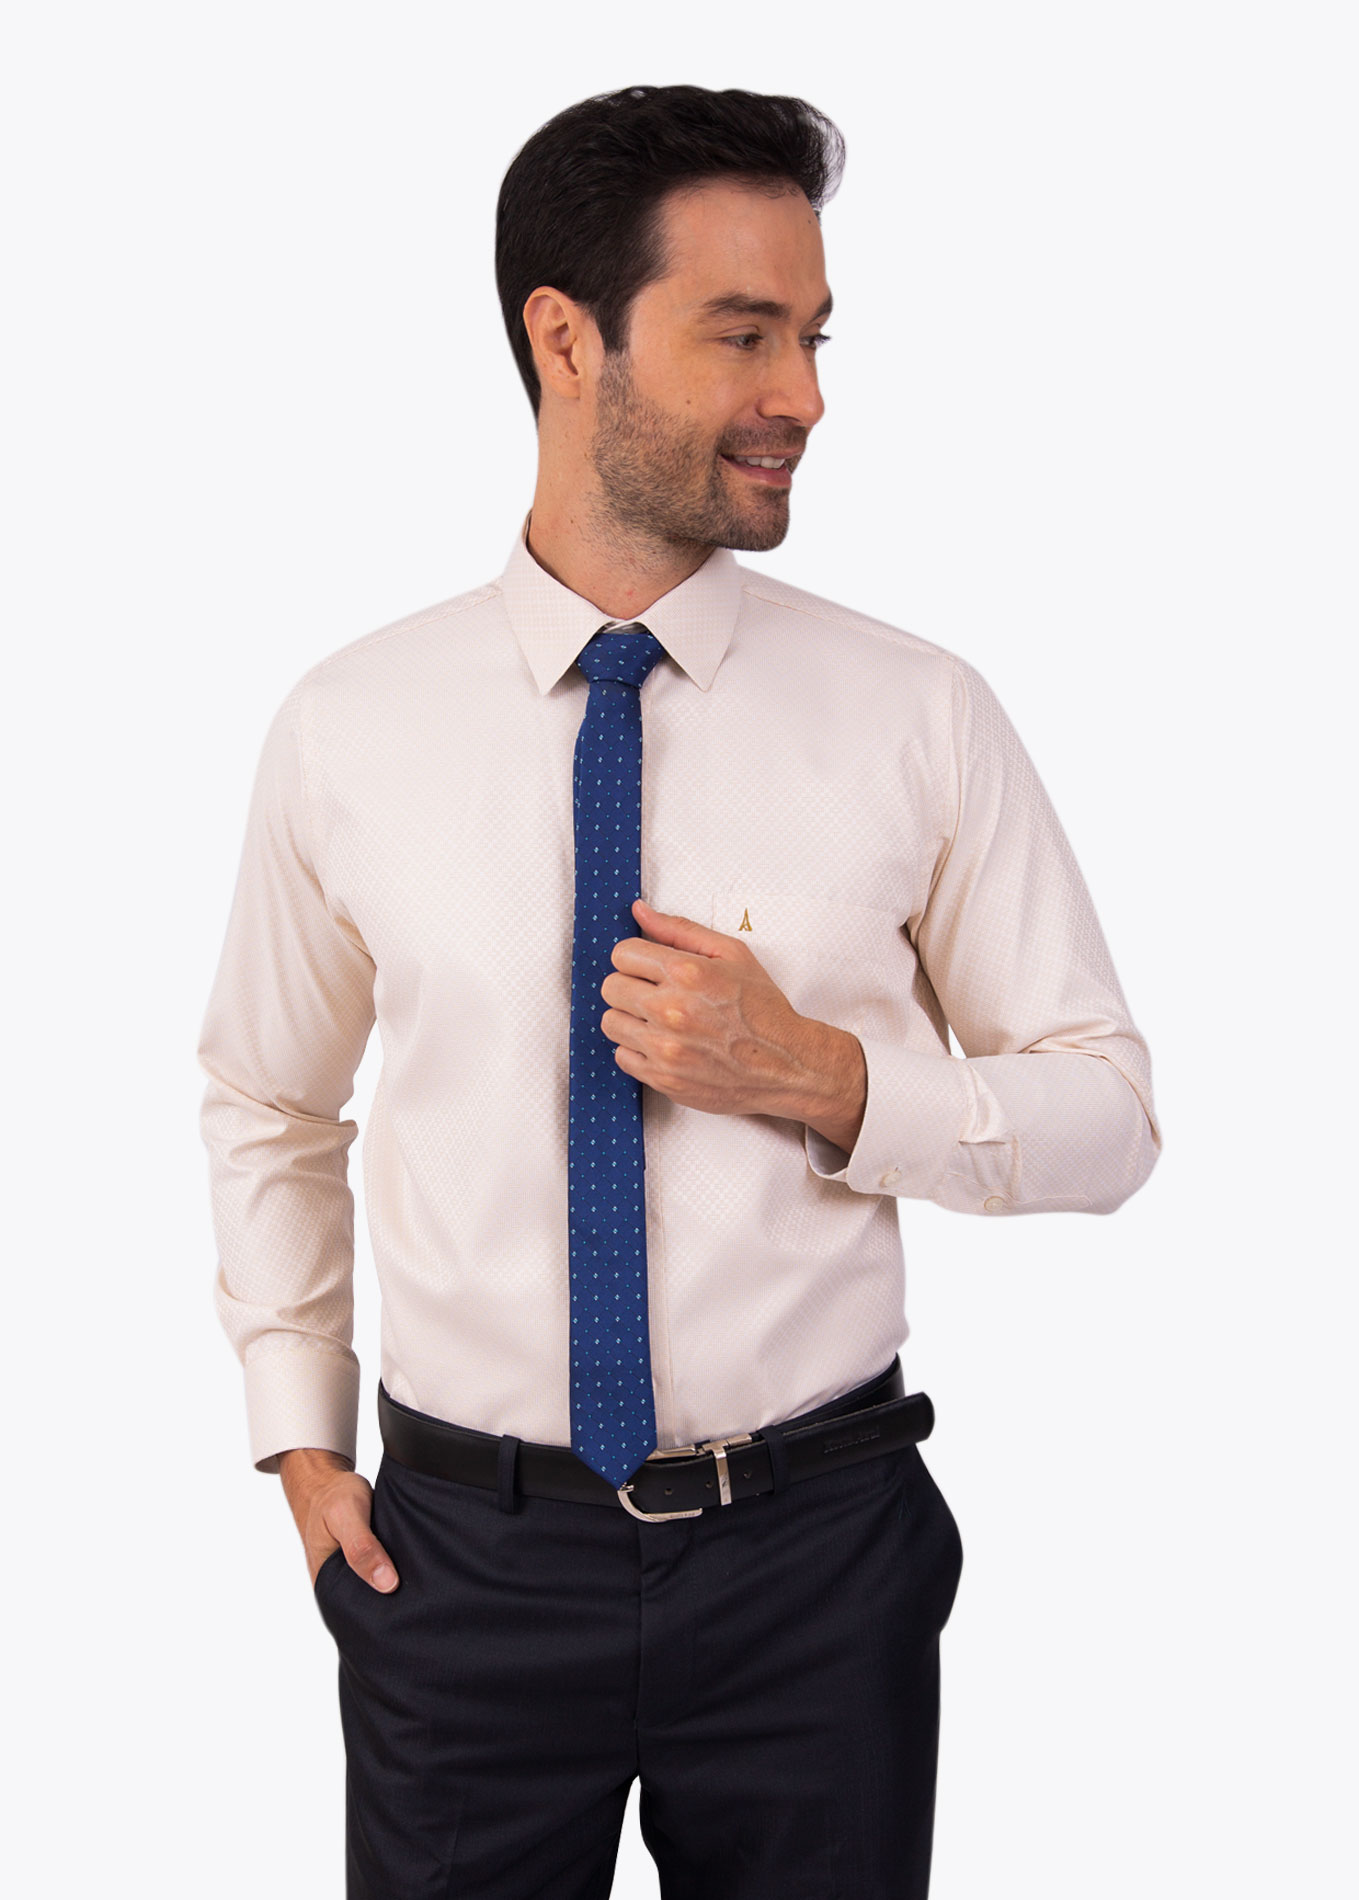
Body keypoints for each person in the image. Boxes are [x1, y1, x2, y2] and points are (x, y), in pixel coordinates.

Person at [197, 82, 1160, 1900]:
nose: (805, 394)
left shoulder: (917, 713)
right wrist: (299, 1439)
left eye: (813, 336)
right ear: (567, 340)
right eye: (743, 333)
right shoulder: (349, 728)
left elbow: (1110, 1110)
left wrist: (830, 1079)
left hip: (818, 1565)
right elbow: (267, 1094)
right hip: (463, 1573)